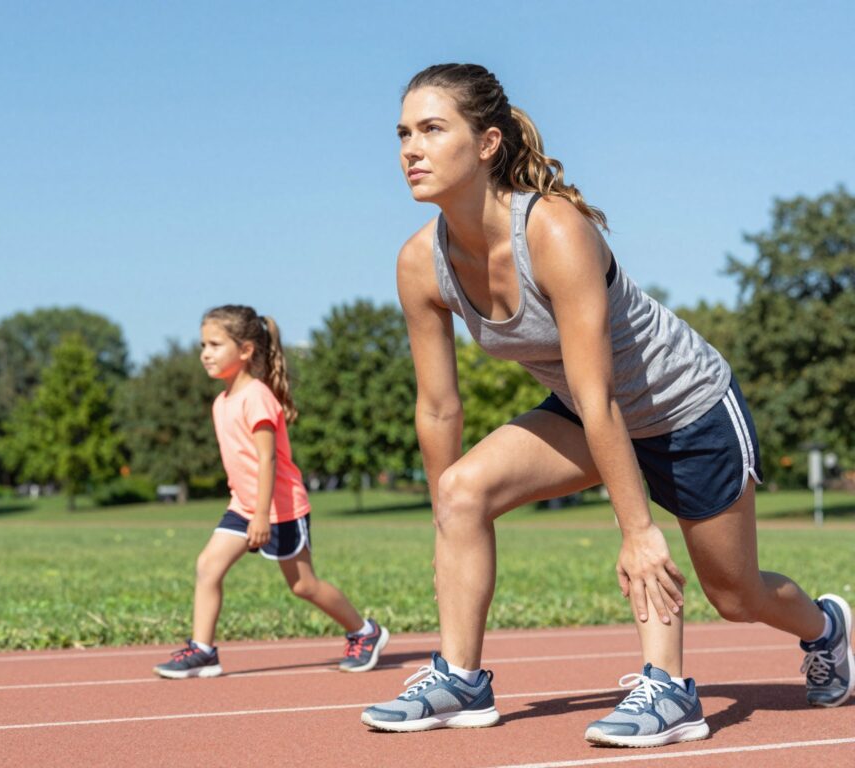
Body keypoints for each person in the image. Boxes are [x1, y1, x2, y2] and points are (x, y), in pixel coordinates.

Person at [360, 63, 853, 744]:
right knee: (465, 490)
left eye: (433, 129)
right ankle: (468, 679)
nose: (410, 149)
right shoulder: (421, 263)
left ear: (486, 143)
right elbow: (438, 408)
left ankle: (826, 627)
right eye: (403, 133)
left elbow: (602, 394)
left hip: (687, 408)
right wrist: (449, 518)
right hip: (587, 409)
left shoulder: (554, 232)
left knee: (737, 595)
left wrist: (637, 530)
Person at [154, 305, 389, 679]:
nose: (205, 353)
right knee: (207, 566)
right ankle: (203, 650)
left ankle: (365, 631)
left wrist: (262, 515)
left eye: (215, 344)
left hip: (280, 509)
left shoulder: (257, 397)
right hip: (243, 506)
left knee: (303, 585)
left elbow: (269, 461)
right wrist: (249, 509)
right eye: (203, 344)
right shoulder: (222, 401)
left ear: (245, 350)